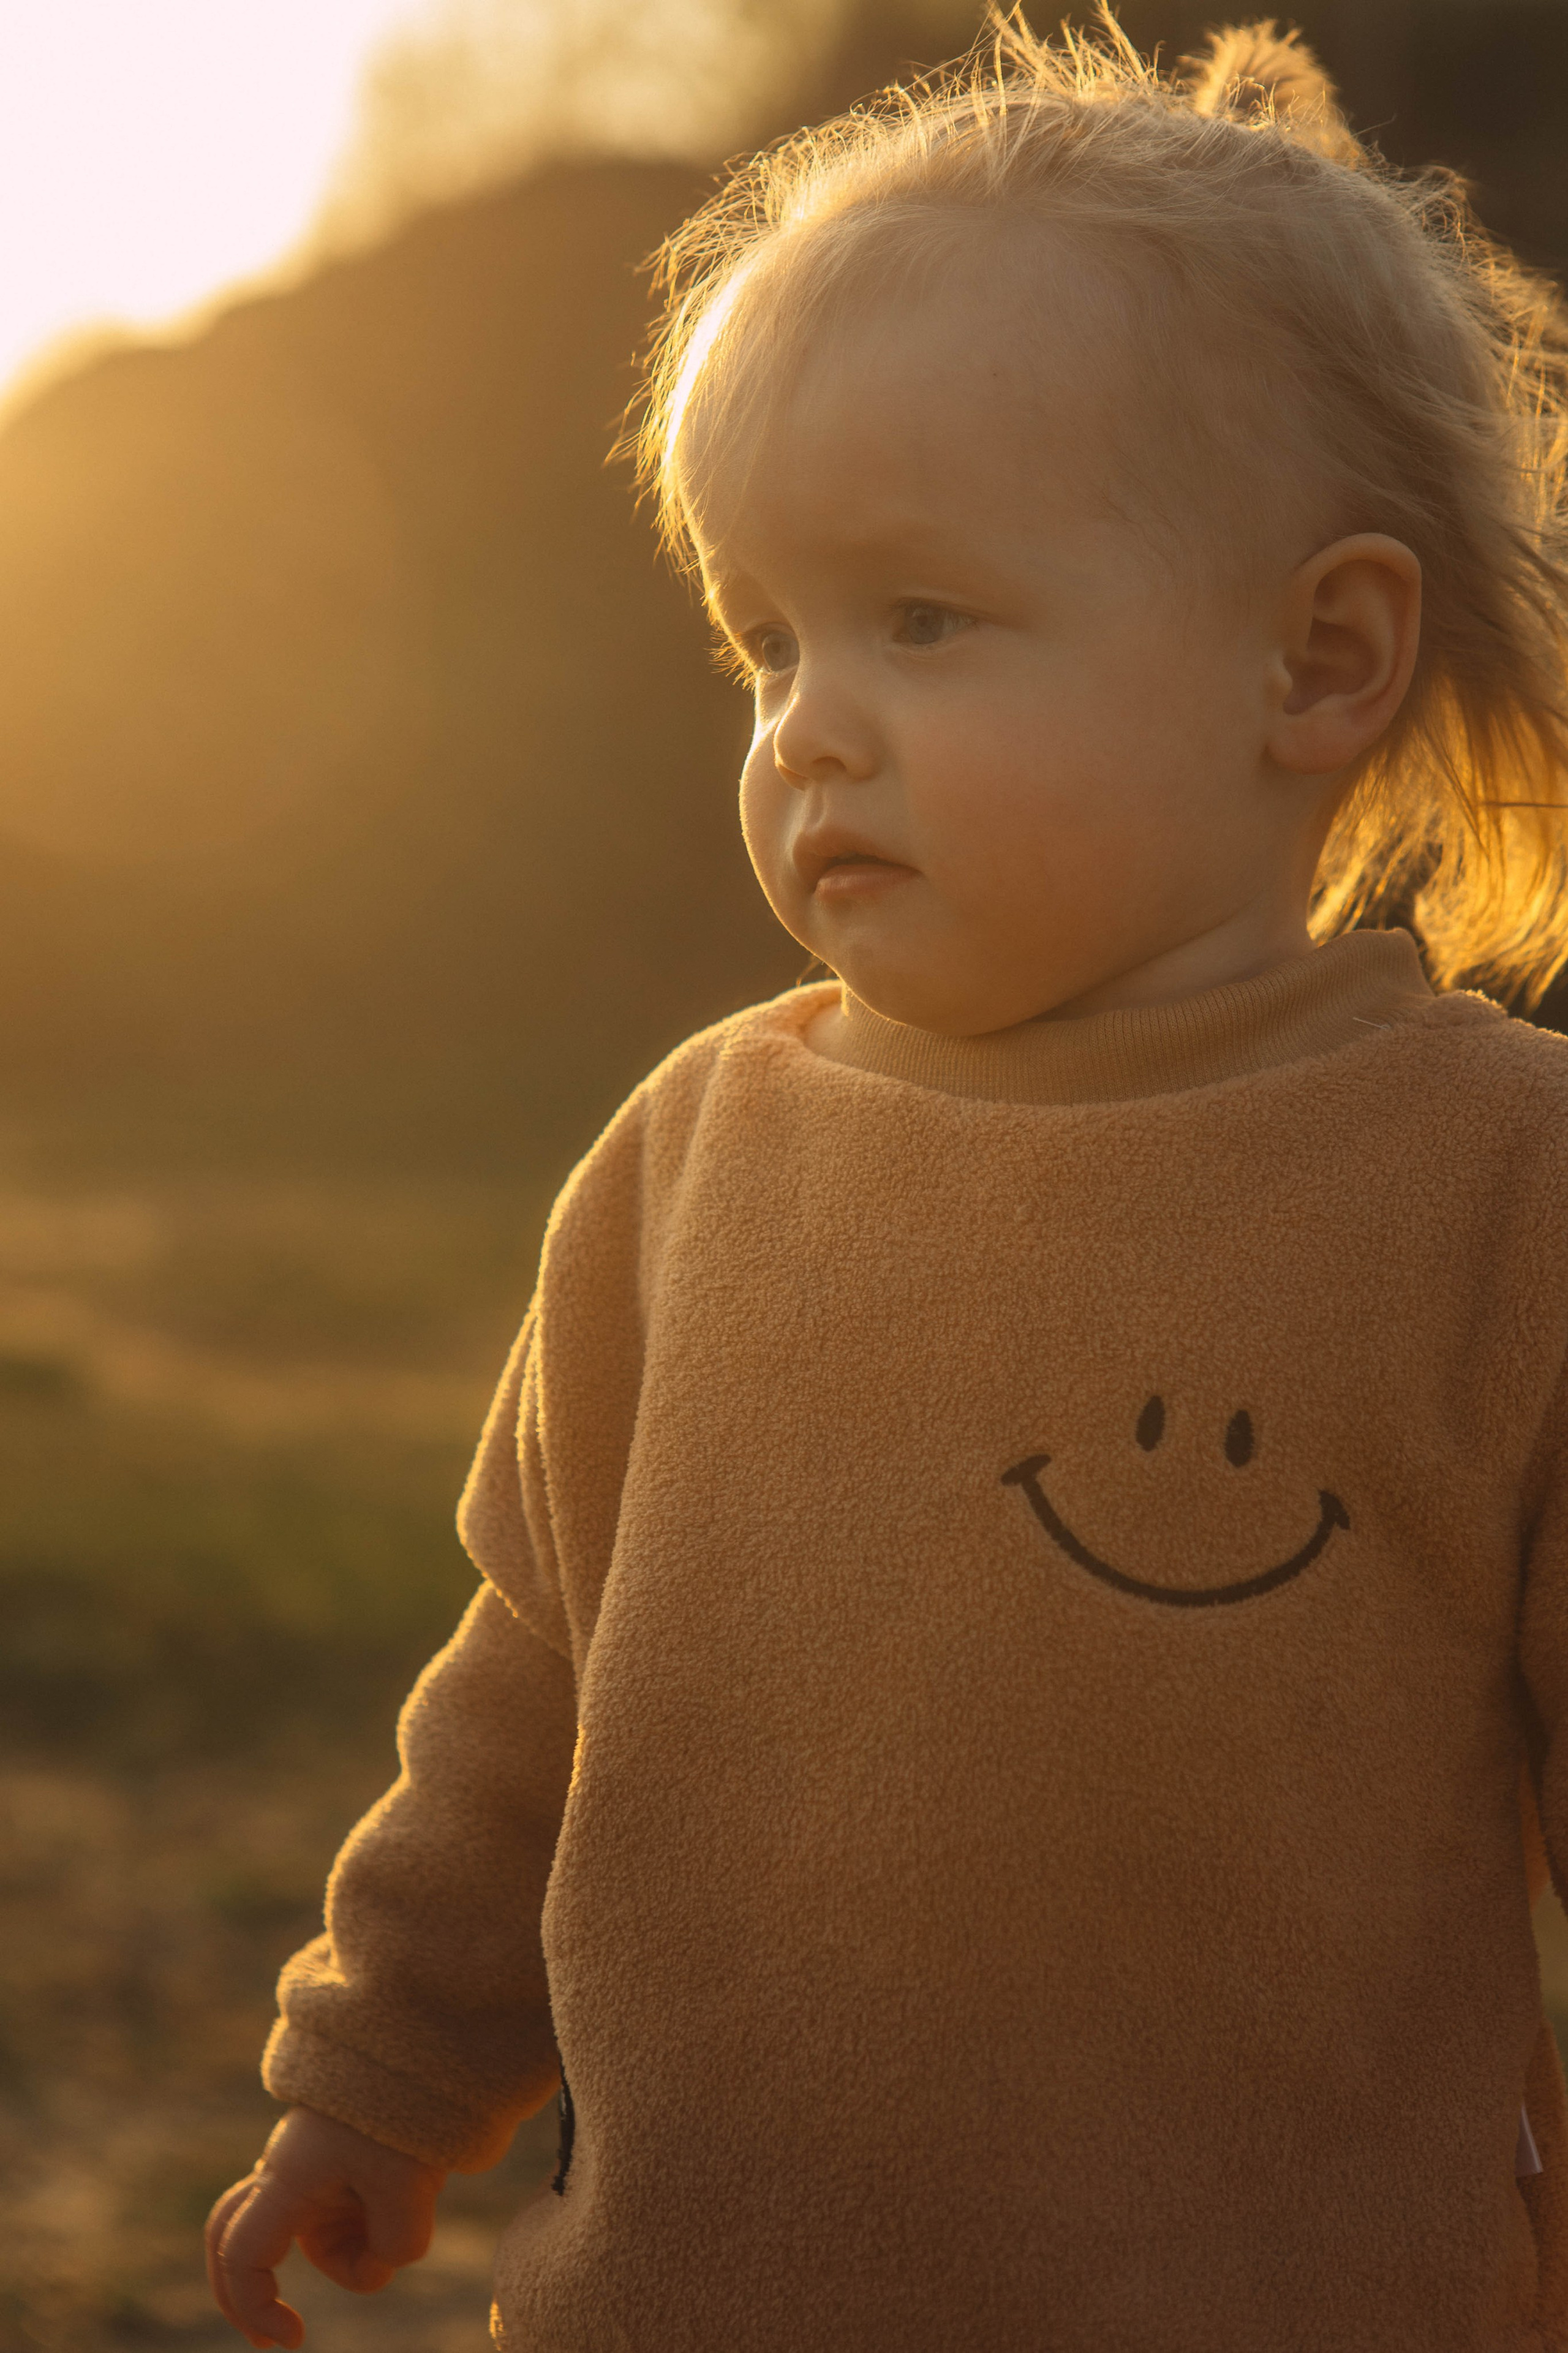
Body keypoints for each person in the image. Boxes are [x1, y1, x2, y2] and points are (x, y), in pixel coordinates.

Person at [205, 10, 1568, 2347]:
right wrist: (377, 2061)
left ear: (1318, 655)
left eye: (921, 618)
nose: (808, 720)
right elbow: (532, 1675)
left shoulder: (1495, 1190)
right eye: (765, 639)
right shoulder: (691, 1159)